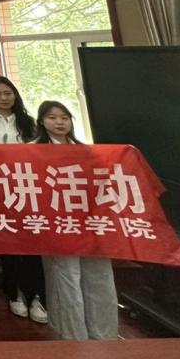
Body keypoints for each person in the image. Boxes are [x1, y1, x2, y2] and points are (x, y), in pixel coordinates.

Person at [35, 101, 118, 341]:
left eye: (64, 117)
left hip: (91, 222)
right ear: (42, 121)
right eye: (52, 117)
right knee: (66, 278)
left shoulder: (87, 150)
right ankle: (71, 336)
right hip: (58, 224)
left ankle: (105, 335)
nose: (59, 122)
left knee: (99, 277)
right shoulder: (33, 150)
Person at [0, 77, 47, 325]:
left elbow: (40, 152)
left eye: (7, 93)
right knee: (8, 241)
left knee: (32, 244)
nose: (3, 98)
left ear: (15, 94)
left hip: (27, 187)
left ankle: (37, 296)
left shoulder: (28, 121)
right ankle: (14, 293)